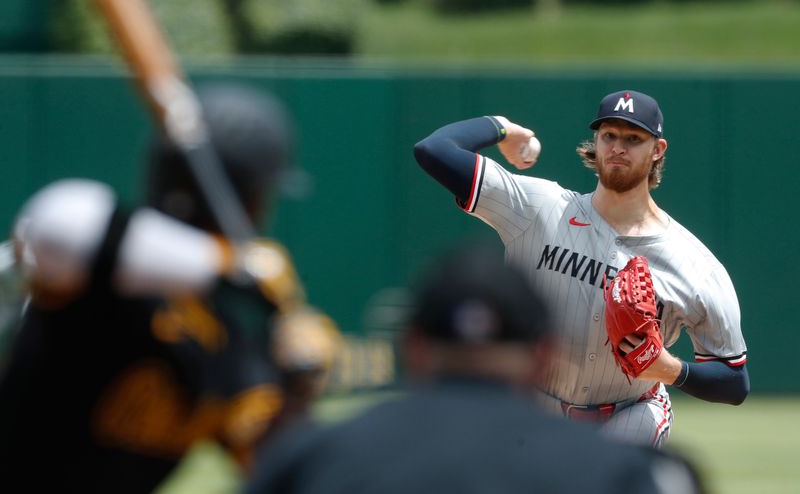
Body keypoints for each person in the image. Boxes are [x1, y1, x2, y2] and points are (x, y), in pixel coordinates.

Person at [0, 83, 339, 492]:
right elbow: (56, 224)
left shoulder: (233, 329)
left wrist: (295, 388)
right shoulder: (103, 279)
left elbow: (278, 470)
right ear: (248, 195)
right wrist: (227, 266)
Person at [413, 90, 749, 448]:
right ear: (597, 141)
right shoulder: (538, 208)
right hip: (532, 408)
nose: (618, 147)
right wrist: (503, 128)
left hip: (630, 413)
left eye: (633, 138)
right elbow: (434, 150)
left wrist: (670, 369)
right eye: (609, 135)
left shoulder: (695, 265)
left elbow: (733, 381)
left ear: (657, 150)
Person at [245, 244, 705, 494]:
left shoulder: (313, 458)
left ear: (414, 349)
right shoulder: (620, 472)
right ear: (544, 354)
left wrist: (289, 410)